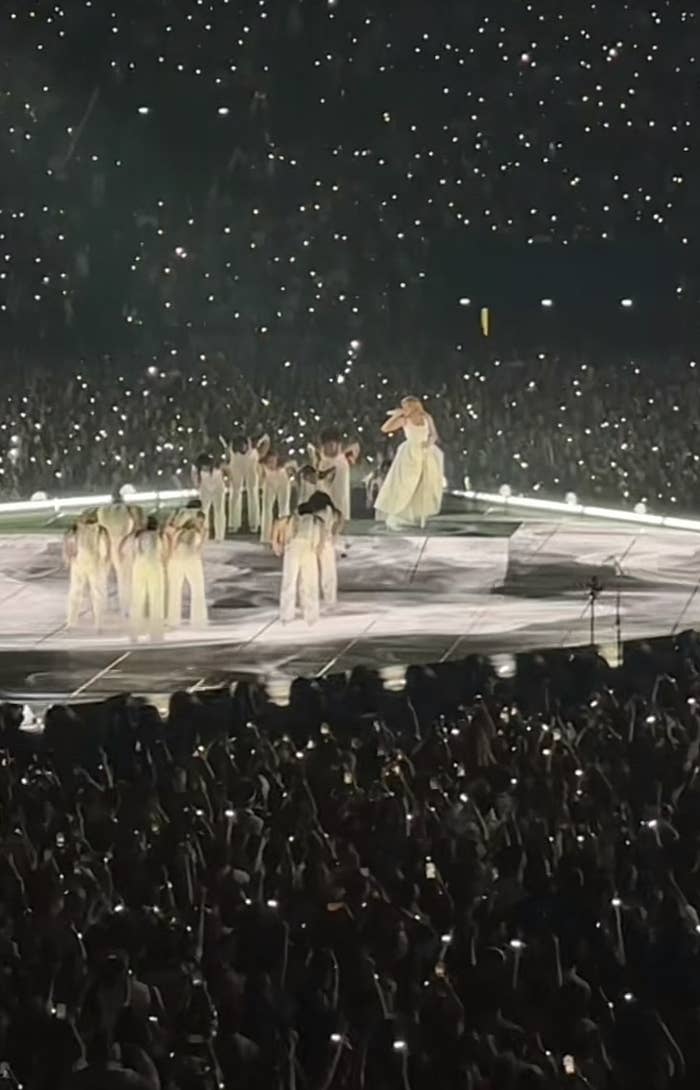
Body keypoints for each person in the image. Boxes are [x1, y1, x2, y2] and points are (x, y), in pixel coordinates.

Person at [374, 396, 444, 529]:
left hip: (425, 452)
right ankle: (398, 513)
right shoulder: (405, 420)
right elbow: (385, 429)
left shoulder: (426, 417)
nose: (405, 408)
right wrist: (396, 416)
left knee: (424, 485)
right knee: (405, 485)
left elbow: (434, 434)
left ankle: (417, 516)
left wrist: (429, 443)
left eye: (407, 406)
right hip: (409, 454)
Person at [271, 498, 324, 624]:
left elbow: (277, 525)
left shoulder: (291, 519)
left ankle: (286, 615)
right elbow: (321, 540)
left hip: (293, 548)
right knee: (310, 583)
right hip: (308, 549)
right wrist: (318, 552)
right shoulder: (317, 521)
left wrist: (276, 544)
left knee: (289, 582)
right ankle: (311, 615)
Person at [97, 489, 141, 617]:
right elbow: (135, 526)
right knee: (125, 578)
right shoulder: (127, 510)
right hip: (122, 544)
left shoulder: (102, 510)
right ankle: (126, 608)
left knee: (101, 577)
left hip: (106, 543)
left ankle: (101, 607)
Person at [64, 514, 110, 631]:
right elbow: (105, 547)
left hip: (82, 563)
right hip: (93, 564)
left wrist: (68, 560)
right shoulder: (99, 530)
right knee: (96, 593)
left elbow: (69, 545)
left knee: (77, 593)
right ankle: (98, 624)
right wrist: (105, 562)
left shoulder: (76, 529)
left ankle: (72, 622)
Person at [167, 503, 208, 628]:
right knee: (196, 589)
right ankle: (197, 619)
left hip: (177, 561)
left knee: (177, 590)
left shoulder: (177, 532)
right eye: (199, 522)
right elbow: (198, 550)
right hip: (189, 561)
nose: (200, 524)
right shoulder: (191, 533)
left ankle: (175, 619)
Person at [129, 514, 166, 640]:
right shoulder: (158, 537)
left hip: (138, 567)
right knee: (156, 599)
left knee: (137, 599)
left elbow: (133, 553)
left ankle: (135, 630)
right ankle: (156, 632)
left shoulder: (137, 537)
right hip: (154, 567)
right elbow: (163, 554)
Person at [222, 433, 269, 533]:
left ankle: (254, 524)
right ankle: (233, 524)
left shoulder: (254, 444)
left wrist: (263, 453)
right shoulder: (231, 448)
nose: (241, 450)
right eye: (238, 449)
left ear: (246, 444)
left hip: (251, 467)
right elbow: (227, 455)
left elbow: (266, 437)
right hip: (236, 466)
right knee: (234, 494)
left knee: (253, 493)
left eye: (242, 448)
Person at [303, 490, 343, 608]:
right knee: (328, 572)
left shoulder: (318, 513)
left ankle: (310, 598)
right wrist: (334, 536)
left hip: (314, 541)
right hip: (326, 542)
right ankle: (330, 598)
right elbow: (339, 525)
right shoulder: (334, 513)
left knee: (311, 572)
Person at [310, 429, 359, 521]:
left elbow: (355, 447)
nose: (332, 447)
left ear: (339, 445)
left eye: (335, 444)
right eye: (329, 444)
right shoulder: (321, 462)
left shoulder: (342, 461)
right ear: (323, 446)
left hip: (340, 507)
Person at [260, 452, 292, 544]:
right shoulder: (263, 467)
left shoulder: (283, 468)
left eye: (273, 461)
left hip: (283, 482)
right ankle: (265, 536)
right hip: (269, 483)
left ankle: (283, 534)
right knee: (266, 509)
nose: (271, 464)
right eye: (269, 462)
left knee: (284, 509)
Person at [193, 455, 227, 542]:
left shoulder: (218, 468)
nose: (205, 468)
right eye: (203, 466)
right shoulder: (195, 470)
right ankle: (204, 535)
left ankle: (219, 535)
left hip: (218, 489)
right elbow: (196, 483)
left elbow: (228, 472)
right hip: (205, 490)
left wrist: (227, 482)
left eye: (206, 466)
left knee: (219, 511)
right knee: (204, 512)